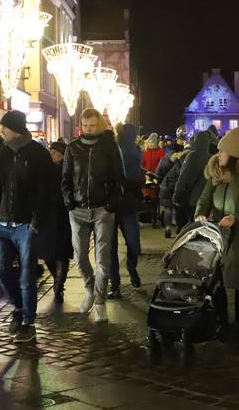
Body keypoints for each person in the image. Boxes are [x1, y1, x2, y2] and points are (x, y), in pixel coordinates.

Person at [195, 127, 239, 353]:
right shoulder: (215, 173)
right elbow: (204, 199)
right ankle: (222, 322)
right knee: (216, 280)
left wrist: (236, 217)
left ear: (233, 154)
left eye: (222, 151)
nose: (218, 155)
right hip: (218, 234)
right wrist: (201, 214)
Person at [0, 110, 51, 342]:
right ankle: (19, 306)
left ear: (15, 129)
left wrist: (36, 222)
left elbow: (45, 190)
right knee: (0, 272)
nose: (1, 131)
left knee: (26, 277)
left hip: (26, 224)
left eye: (4, 127)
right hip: (1, 222)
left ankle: (27, 322)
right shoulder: (2, 154)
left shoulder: (38, 154)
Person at [62, 108, 124, 323]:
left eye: (93, 126)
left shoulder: (109, 147)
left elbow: (118, 177)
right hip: (78, 210)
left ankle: (99, 303)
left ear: (99, 126)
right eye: (86, 126)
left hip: (102, 210)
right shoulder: (72, 148)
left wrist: (111, 203)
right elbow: (66, 178)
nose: (89, 129)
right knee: (79, 258)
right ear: (81, 126)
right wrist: (69, 202)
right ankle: (89, 288)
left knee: (102, 261)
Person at [109, 123, 142, 299]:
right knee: (112, 247)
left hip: (127, 203)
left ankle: (130, 268)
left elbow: (136, 174)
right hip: (113, 204)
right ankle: (115, 283)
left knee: (132, 243)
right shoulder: (114, 149)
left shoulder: (136, 150)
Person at [40, 141, 73, 304]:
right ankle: (57, 279)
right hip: (46, 216)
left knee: (62, 253)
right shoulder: (45, 169)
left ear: (61, 155)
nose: (50, 154)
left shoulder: (68, 170)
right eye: (50, 151)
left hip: (63, 216)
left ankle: (59, 284)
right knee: (47, 254)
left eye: (53, 152)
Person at [173, 131, 212, 229]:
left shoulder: (192, 156)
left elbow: (184, 177)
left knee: (191, 225)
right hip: (205, 200)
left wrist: (177, 195)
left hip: (192, 199)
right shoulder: (210, 157)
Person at [156, 143, 188, 238]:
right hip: (178, 186)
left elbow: (158, 172)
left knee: (168, 208)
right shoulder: (183, 160)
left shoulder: (164, 159)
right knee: (178, 208)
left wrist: (161, 181)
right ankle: (179, 228)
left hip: (166, 186)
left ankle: (167, 228)